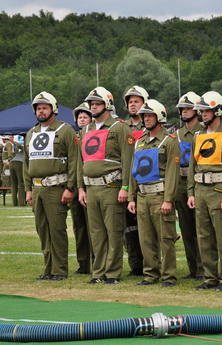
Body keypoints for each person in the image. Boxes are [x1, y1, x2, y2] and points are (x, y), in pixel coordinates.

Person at [78, 86, 134, 284]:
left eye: (97, 104)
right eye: (91, 104)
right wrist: (80, 189)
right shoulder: (85, 129)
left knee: (114, 231)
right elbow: (80, 161)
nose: (93, 107)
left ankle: (112, 273)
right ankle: (98, 273)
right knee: (96, 233)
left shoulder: (119, 127)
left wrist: (125, 187)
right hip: (91, 189)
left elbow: (128, 160)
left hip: (112, 187)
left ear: (108, 105)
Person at [187, 91, 222, 291]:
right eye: (201, 111)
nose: (203, 114)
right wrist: (191, 192)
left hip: (219, 190)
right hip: (200, 190)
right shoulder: (198, 136)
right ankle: (210, 278)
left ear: (218, 111)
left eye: (207, 110)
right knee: (204, 236)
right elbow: (193, 164)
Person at [23, 91, 77, 281]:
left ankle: (59, 270)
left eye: (45, 107)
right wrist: (28, 189)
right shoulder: (31, 133)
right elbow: (26, 164)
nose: (41, 111)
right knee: (43, 230)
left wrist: (70, 188)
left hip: (56, 188)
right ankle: (48, 269)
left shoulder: (65, 130)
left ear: (53, 109)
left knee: (57, 229)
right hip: (37, 189)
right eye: (38, 108)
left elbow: (74, 160)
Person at [128, 99, 180, 288]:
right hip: (142, 196)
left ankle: (169, 276)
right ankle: (150, 274)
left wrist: (169, 199)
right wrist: (131, 197)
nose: (147, 119)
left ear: (160, 117)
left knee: (166, 238)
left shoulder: (170, 141)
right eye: (144, 116)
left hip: (160, 195)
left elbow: (173, 174)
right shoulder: (139, 142)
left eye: (150, 115)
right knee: (146, 238)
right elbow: (134, 171)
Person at [174, 91, 204, 280]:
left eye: (188, 108)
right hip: (181, 184)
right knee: (186, 229)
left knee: (202, 229)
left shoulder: (203, 131)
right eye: (182, 109)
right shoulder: (176, 134)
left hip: (200, 184)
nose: (184, 111)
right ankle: (193, 269)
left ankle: (204, 269)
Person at [122, 85, 148, 277]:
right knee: (130, 227)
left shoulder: (152, 126)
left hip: (147, 182)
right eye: (130, 102)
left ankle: (152, 263)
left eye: (136, 101)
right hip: (127, 181)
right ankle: (136, 265)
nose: (132, 104)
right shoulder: (122, 127)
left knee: (149, 226)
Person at [70, 102, 93, 274]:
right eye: (80, 117)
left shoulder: (94, 136)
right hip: (75, 186)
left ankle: (96, 262)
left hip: (90, 186)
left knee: (94, 227)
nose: (82, 119)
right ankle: (83, 264)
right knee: (79, 227)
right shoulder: (72, 137)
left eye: (85, 116)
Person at [4, 134, 25, 206]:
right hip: (19, 163)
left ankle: (14, 202)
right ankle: (21, 202)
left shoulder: (17, 147)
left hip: (12, 163)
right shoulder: (27, 149)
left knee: (13, 184)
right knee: (21, 183)